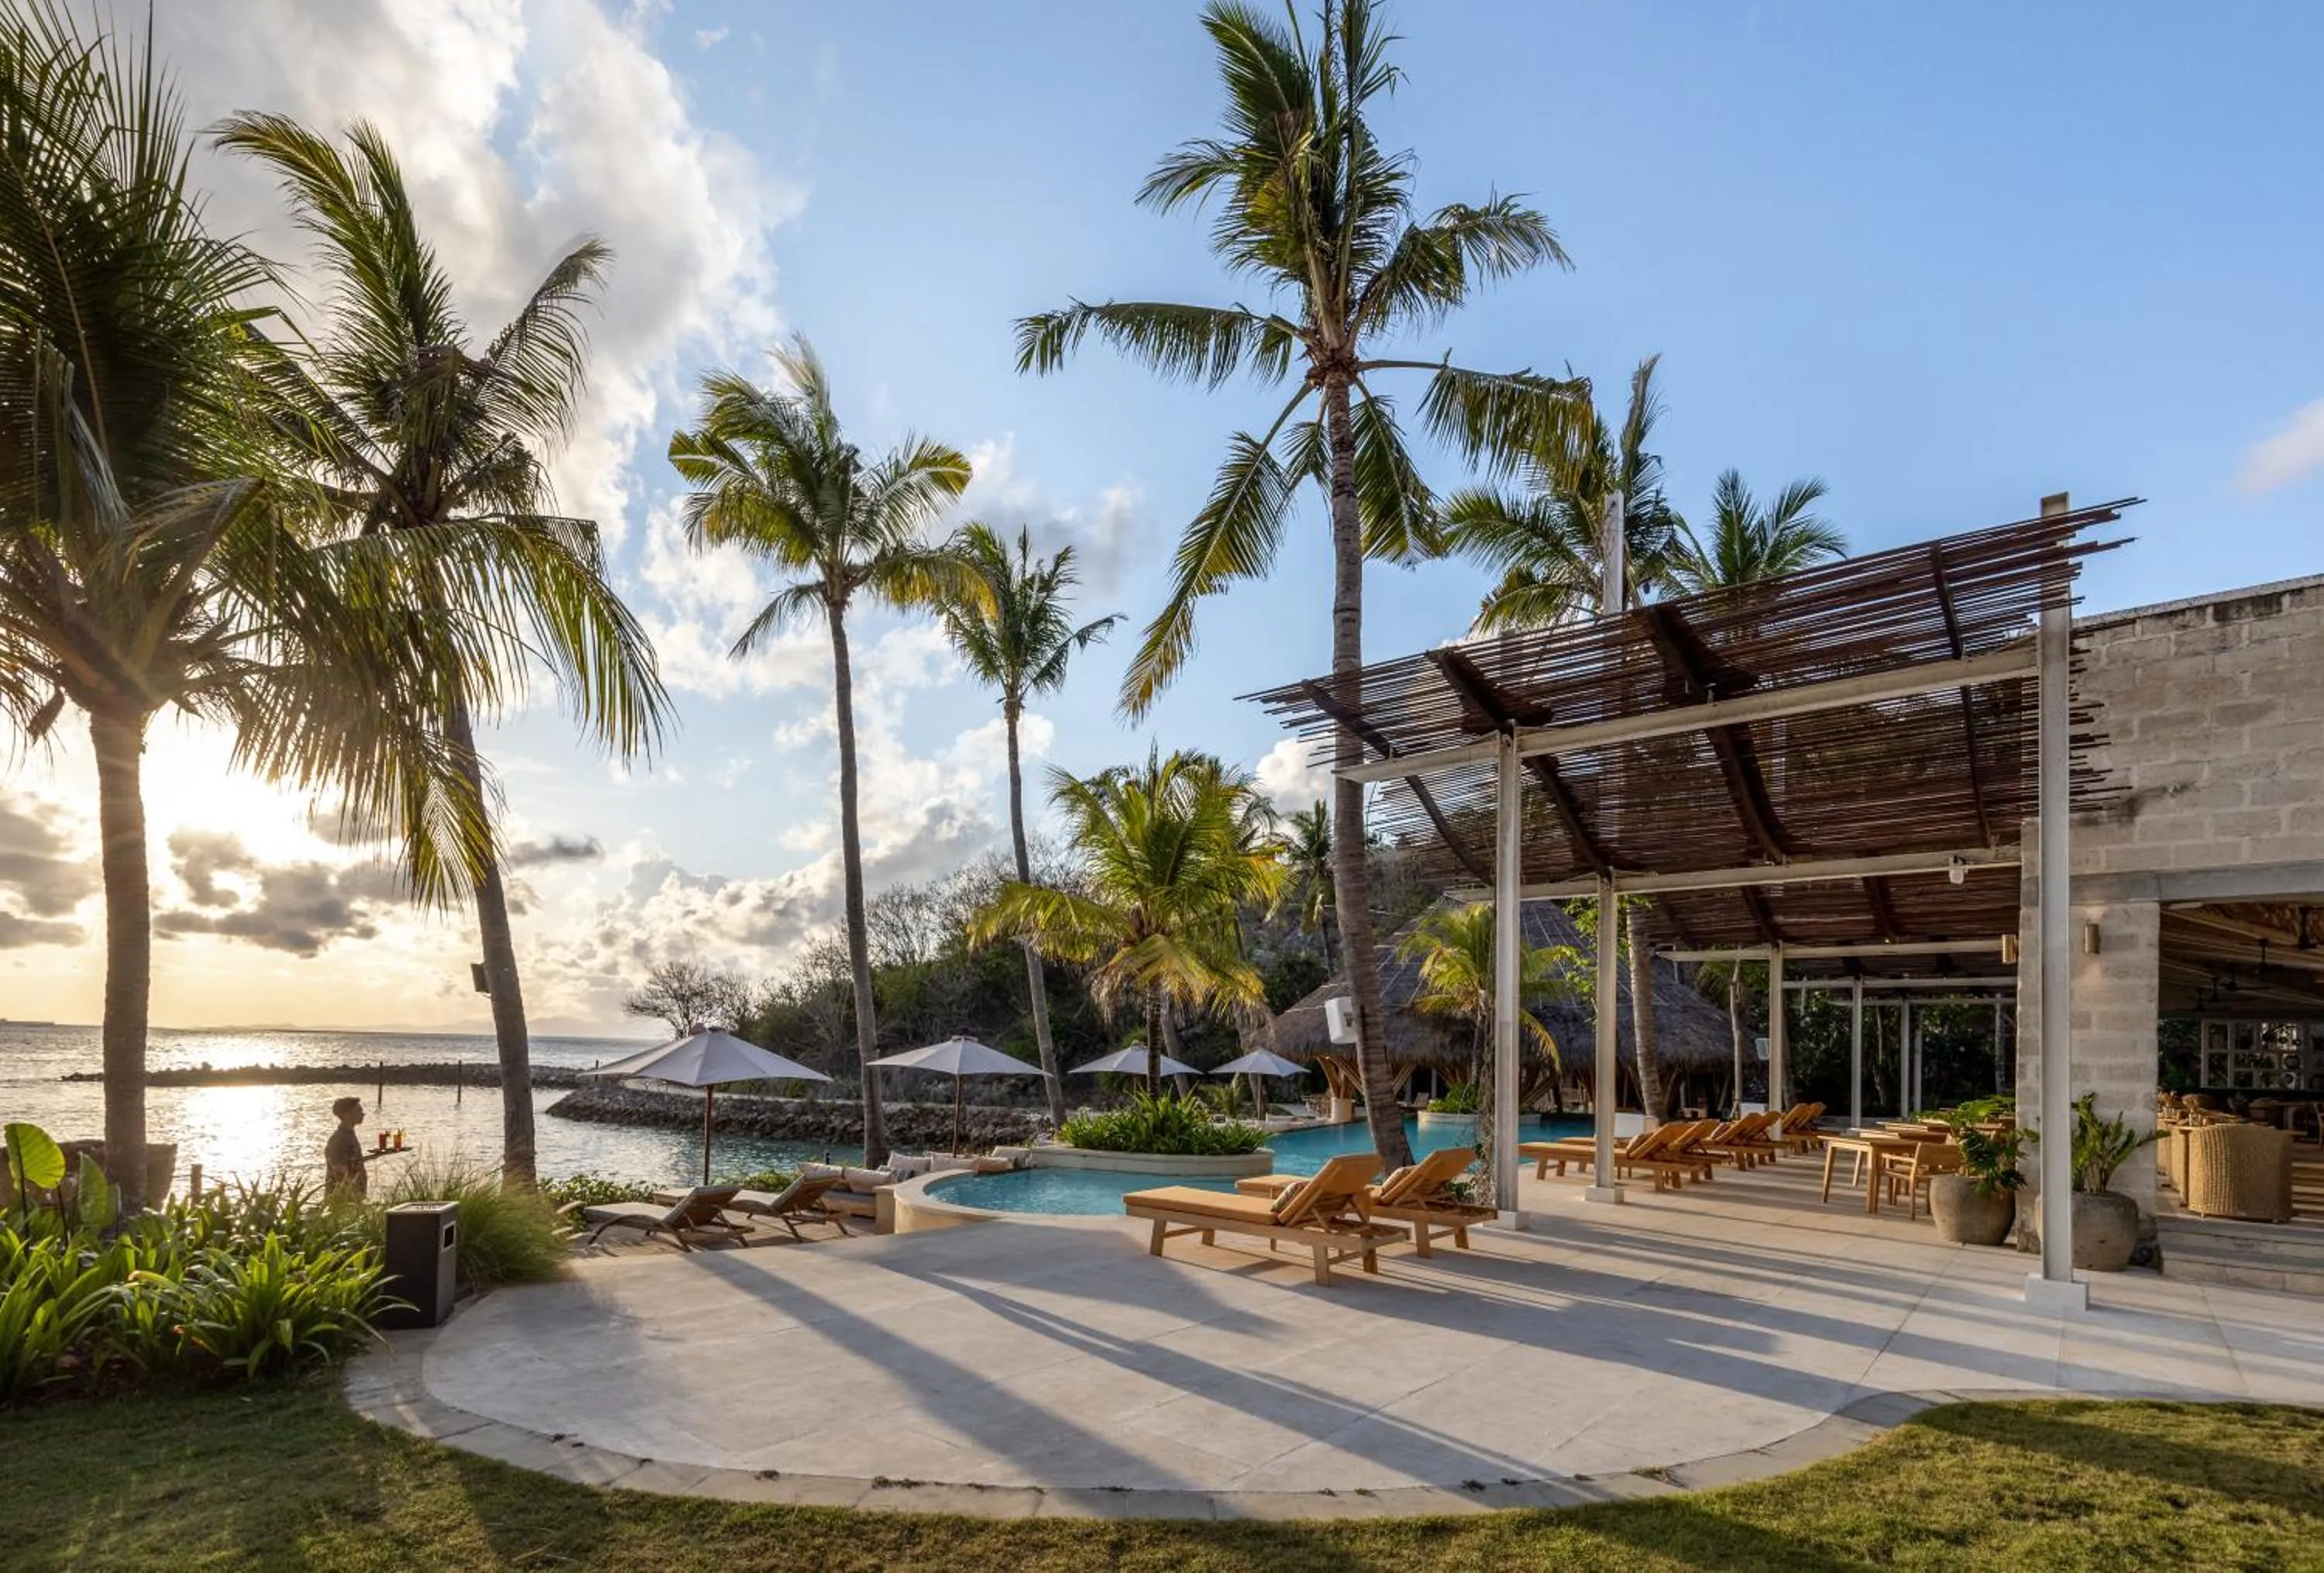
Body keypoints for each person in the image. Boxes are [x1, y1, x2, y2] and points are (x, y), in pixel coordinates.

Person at [325, 1096, 383, 1201]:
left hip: (354, 1199)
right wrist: (354, 1197)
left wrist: (374, 1156)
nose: (363, 1114)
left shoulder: (349, 1135)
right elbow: (339, 1171)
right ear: (347, 1115)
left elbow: (350, 1161)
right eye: (359, 1111)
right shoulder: (339, 1140)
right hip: (342, 1201)